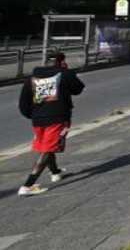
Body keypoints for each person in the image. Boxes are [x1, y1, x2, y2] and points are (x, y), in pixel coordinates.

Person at [16, 50, 84, 196]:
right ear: (61, 62)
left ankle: (55, 172)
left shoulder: (31, 78)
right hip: (57, 118)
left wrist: (34, 115)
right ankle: (28, 185)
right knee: (47, 149)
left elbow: (23, 104)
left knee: (46, 147)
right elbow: (78, 89)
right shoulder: (64, 74)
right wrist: (67, 72)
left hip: (38, 120)